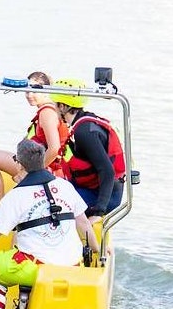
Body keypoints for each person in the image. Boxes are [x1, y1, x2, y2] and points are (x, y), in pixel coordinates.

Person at [0, 139, 100, 309]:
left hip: (36, 269)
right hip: (71, 266)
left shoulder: (16, 196)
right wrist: (98, 249)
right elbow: (83, 224)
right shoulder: (65, 186)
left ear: (18, 163)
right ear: (43, 161)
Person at [0, 71, 69, 224]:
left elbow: (54, 148)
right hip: (37, 165)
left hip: (47, 170)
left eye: (35, 90)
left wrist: (31, 173)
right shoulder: (47, 110)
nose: (29, 94)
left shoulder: (47, 113)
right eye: (27, 90)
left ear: (47, 91)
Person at [49, 78, 126, 220]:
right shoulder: (83, 122)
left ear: (62, 106)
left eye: (54, 104)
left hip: (101, 196)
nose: (53, 108)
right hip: (90, 188)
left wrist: (99, 210)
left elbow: (107, 170)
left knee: (48, 206)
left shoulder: (84, 132)